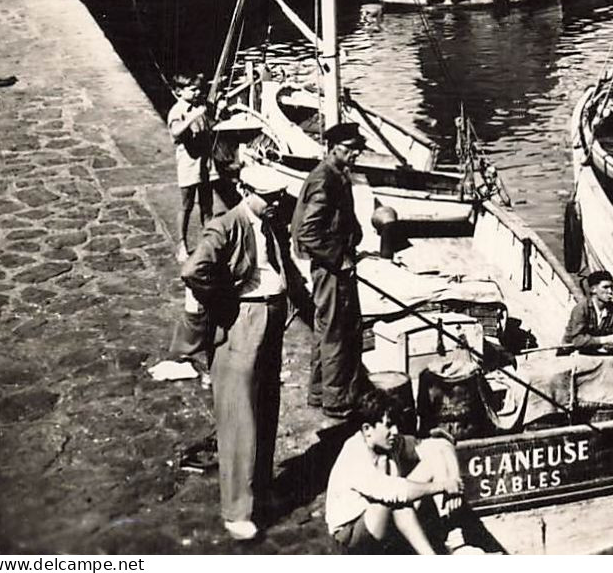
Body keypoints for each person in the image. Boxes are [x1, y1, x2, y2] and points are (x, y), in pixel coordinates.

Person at [180, 164, 304, 541]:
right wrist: (227, 305)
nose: (276, 202)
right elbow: (193, 270)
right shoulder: (226, 225)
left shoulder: (269, 223)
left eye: (279, 196)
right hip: (245, 319)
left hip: (271, 317)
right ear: (243, 189)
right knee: (239, 417)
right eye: (268, 197)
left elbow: (281, 266)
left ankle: (260, 491)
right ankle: (236, 510)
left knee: (267, 407)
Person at [291, 122, 370, 419]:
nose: (355, 154)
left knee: (326, 327)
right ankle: (337, 401)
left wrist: (355, 235)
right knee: (339, 331)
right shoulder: (325, 180)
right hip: (332, 269)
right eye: (350, 149)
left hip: (334, 264)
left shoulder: (336, 174)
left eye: (357, 149)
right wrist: (339, 258)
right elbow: (308, 233)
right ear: (333, 147)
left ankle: (320, 391)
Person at [325, 388, 462, 555]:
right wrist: (442, 486)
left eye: (396, 424)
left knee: (433, 461)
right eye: (389, 425)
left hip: (386, 516)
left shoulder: (389, 441)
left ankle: (452, 535)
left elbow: (441, 445)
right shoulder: (354, 455)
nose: (395, 431)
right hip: (350, 537)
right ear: (367, 429)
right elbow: (396, 492)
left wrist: (454, 481)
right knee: (396, 499)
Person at [168, 75, 238, 263]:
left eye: (198, 89)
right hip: (188, 164)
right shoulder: (178, 111)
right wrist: (192, 116)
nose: (197, 92)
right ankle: (182, 243)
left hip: (205, 164)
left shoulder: (201, 106)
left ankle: (208, 240)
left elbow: (214, 125)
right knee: (187, 205)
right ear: (179, 92)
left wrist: (221, 112)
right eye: (192, 89)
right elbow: (175, 131)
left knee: (207, 205)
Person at [563, 270, 613, 355]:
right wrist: (605, 340)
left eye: (611, 288)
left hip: (595, 352)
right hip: (572, 353)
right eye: (605, 287)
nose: (610, 291)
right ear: (593, 289)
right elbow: (577, 340)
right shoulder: (581, 309)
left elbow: (612, 335)